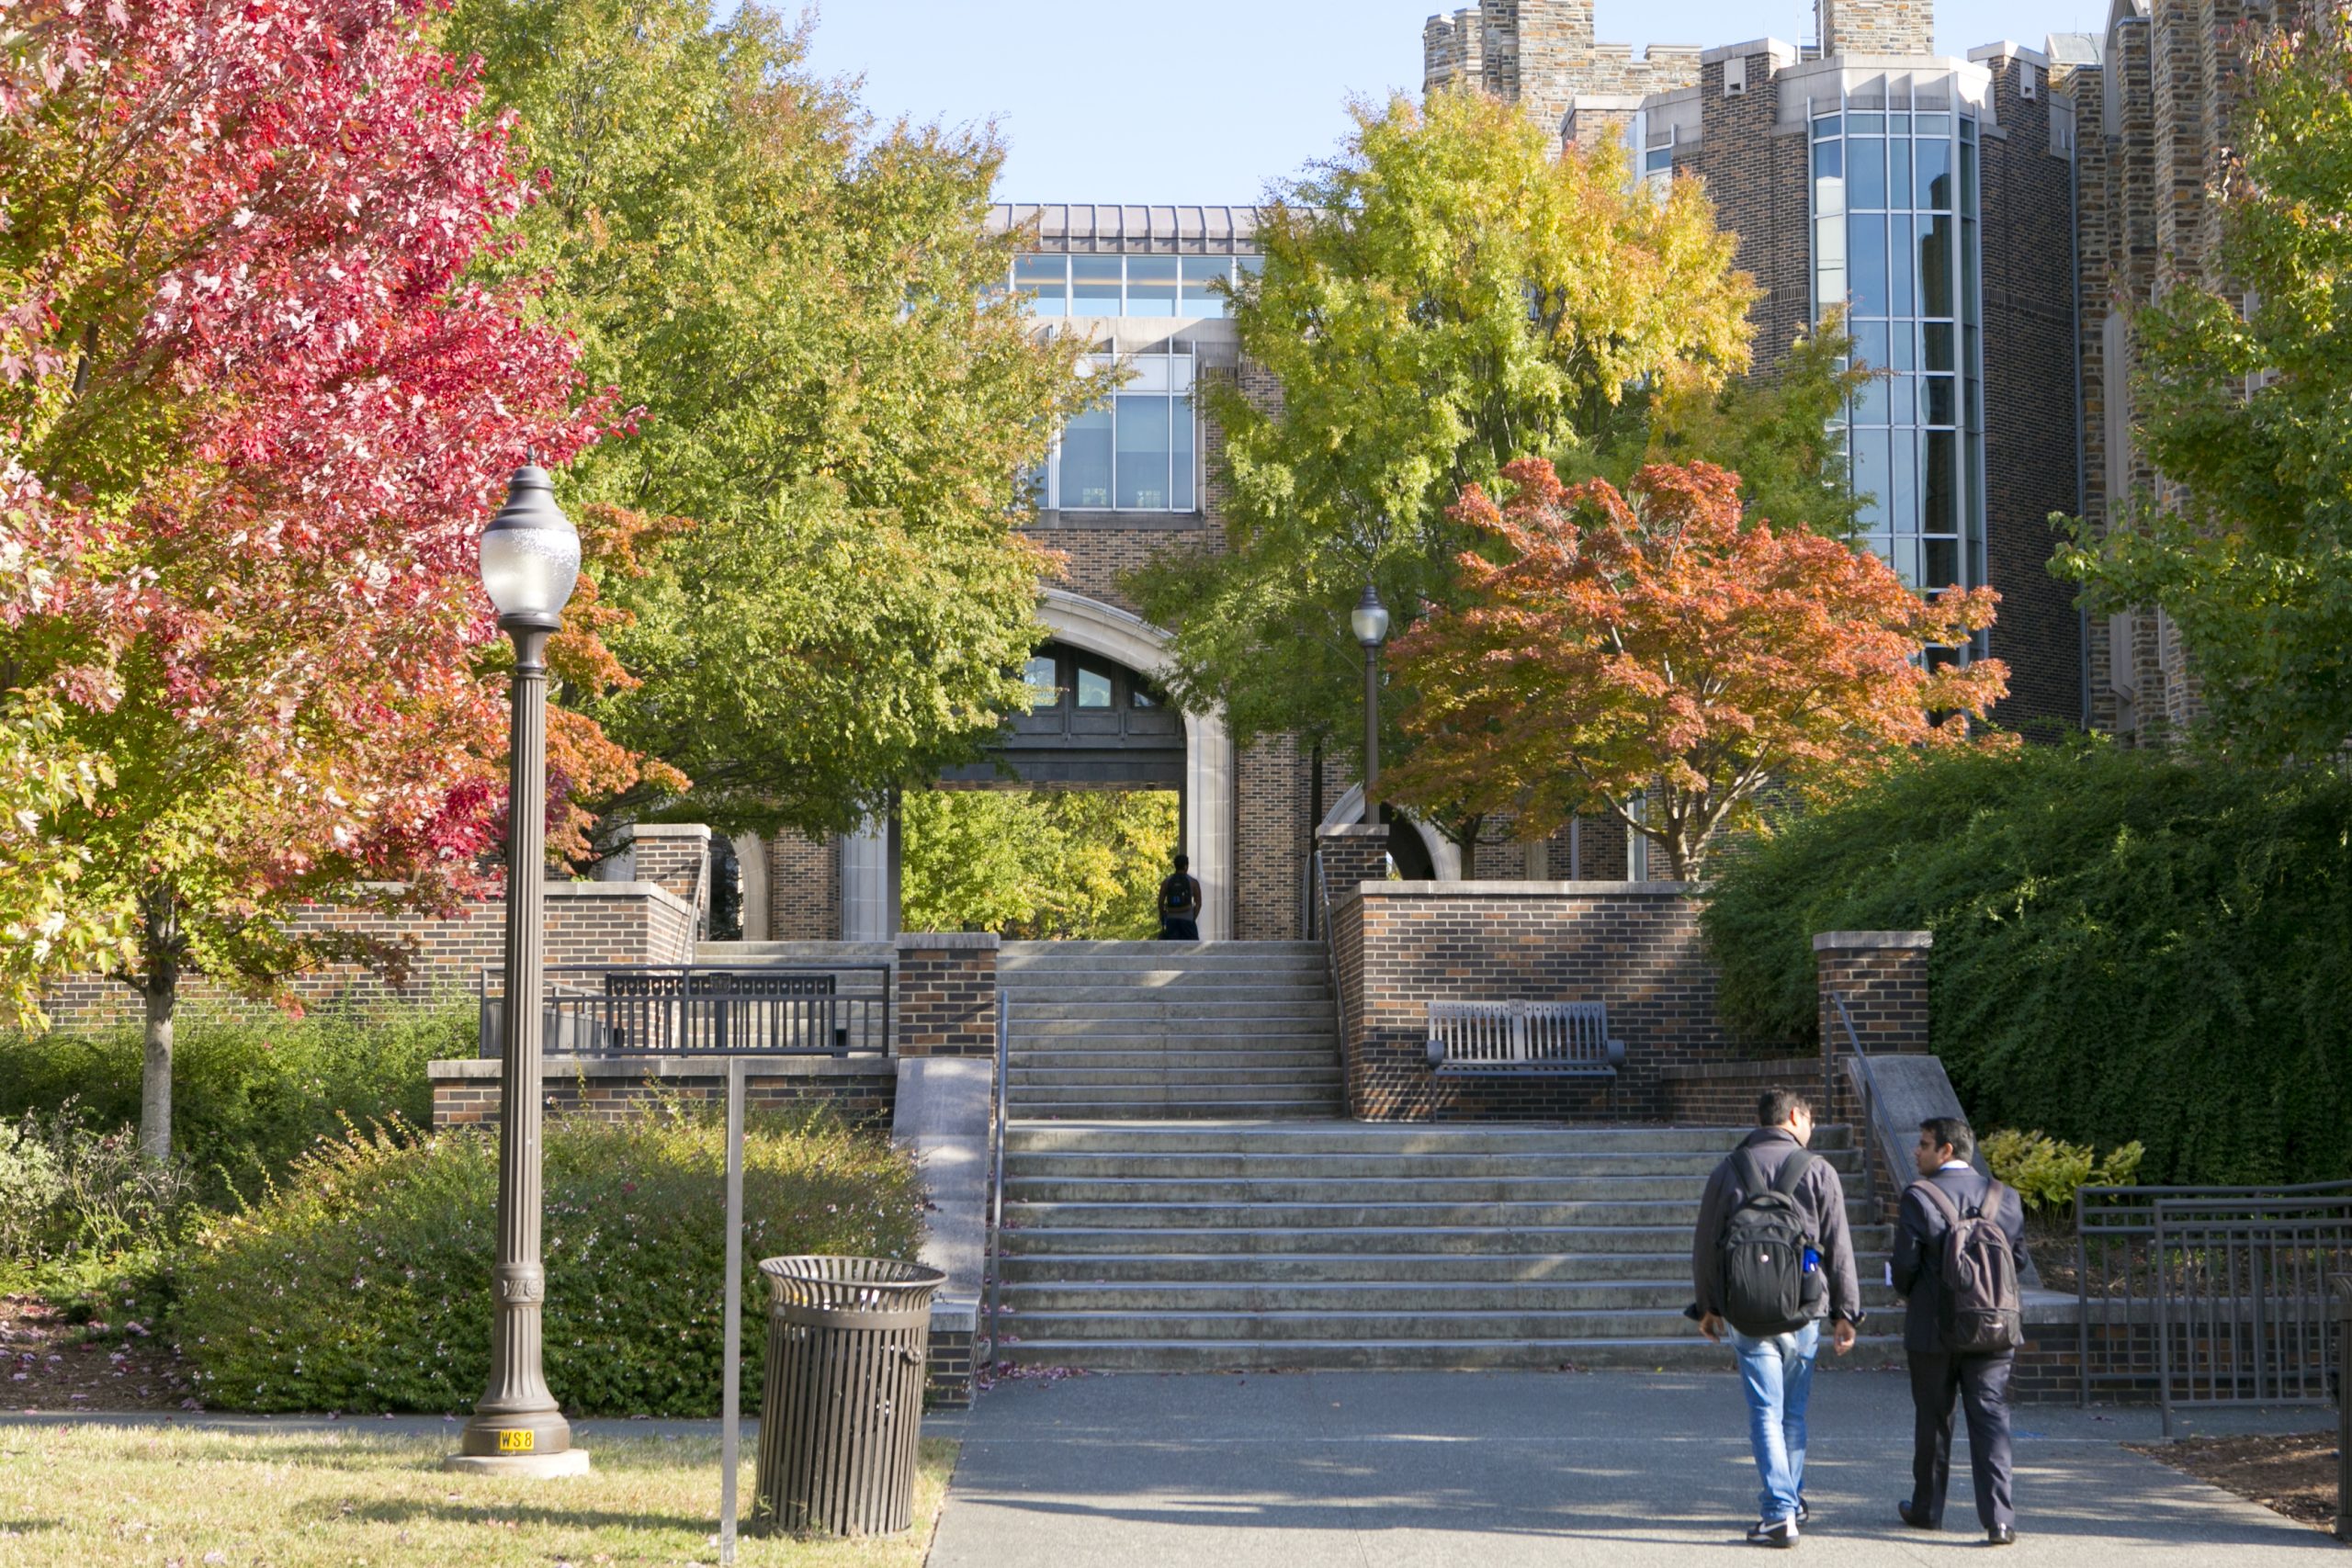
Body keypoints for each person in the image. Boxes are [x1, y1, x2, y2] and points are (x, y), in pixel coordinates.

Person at [1690, 1090, 1863, 1549]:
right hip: (1803, 1309)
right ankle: (1789, 1505)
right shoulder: (1819, 1170)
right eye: (1809, 1118)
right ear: (1792, 1116)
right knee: (1793, 1413)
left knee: (1765, 1411)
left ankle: (1779, 1511)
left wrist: (1707, 1306)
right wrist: (1846, 1312)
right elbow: (1839, 1246)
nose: (1812, 1127)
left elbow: (1707, 1243)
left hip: (1747, 1310)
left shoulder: (1729, 1169)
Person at [1893, 1115, 2029, 1547]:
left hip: (1934, 1331)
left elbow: (1905, 1269)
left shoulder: (1919, 1197)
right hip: (1994, 1327)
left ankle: (1927, 1510)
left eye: (1924, 1144)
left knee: (1934, 1419)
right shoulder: (2004, 1197)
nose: (1917, 1151)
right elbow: (2018, 1261)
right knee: (1991, 1419)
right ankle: (2000, 1520)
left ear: (1946, 1150)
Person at [1156, 852, 1202, 941]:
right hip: (1188, 920)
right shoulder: (1193, 882)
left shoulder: (1167, 882)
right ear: (1186, 866)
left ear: (1175, 866)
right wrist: (1193, 917)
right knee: (1191, 948)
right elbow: (1199, 903)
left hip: (1171, 920)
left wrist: (1162, 915)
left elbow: (1160, 902)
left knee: (1172, 949)